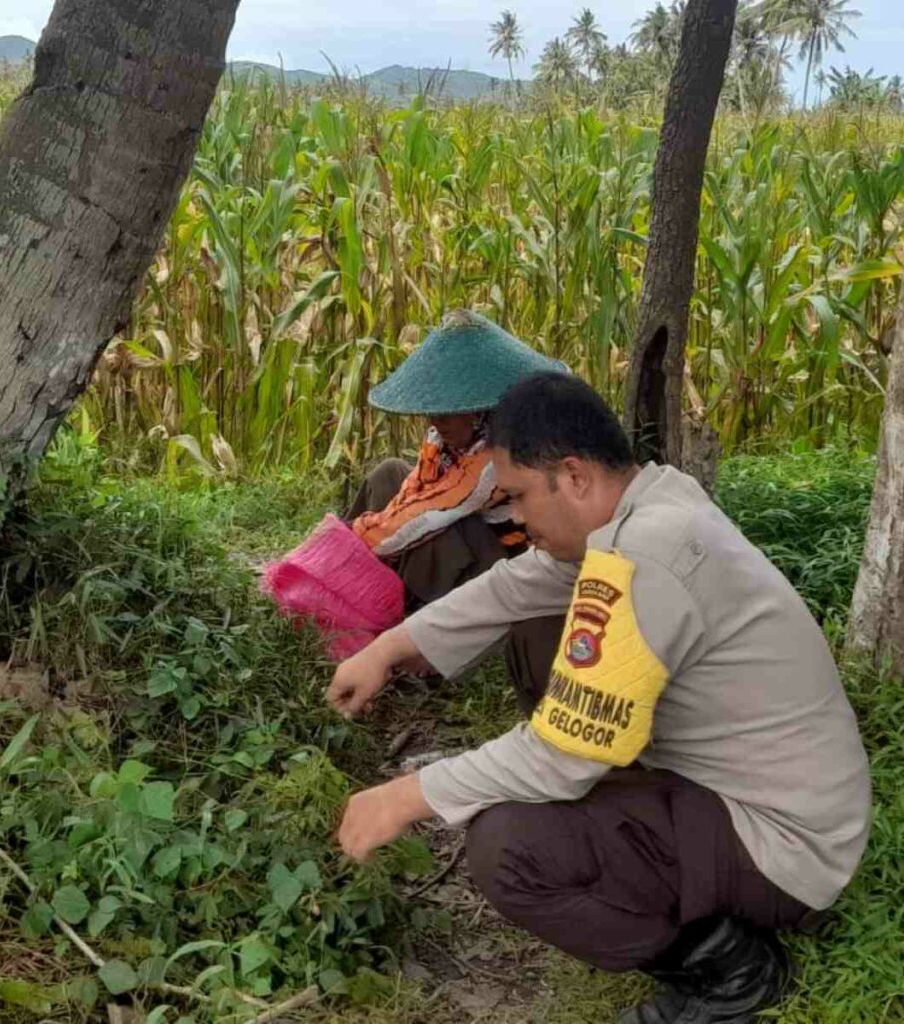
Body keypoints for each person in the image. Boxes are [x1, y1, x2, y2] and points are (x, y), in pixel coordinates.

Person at [326, 372, 872, 1024]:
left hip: (785, 845)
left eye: (522, 495)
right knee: (540, 728)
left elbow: (560, 754)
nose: (518, 518)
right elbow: (516, 587)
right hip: (773, 798)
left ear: (575, 476)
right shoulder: (651, 508)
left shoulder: (645, 555)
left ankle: (730, 973)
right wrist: (386, 650)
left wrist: (405, 797)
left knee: (508, 846)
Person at [345, 308, 565, 612]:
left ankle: (398, 599)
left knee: (433, 527)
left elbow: (431, 511)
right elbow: (415, 490)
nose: (435, 423)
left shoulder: (500, 455)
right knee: (389, 473)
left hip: (505, 560)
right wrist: (358, 532)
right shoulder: (442, 437)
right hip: (463, 522)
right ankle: (368, 575)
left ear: (476, 412)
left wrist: (352, 542)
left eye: (447, 414)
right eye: (433, 413)